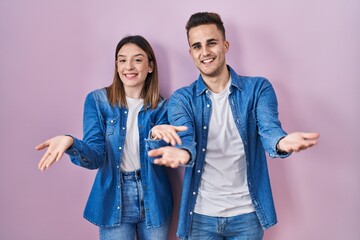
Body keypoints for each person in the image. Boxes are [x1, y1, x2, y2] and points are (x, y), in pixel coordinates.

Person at [148, 12, 320, 240]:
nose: (205, 52)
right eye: (197, 46)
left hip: (247, 215)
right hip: (200, 216)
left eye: (211, 43)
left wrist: (282, 142)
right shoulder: (182, 99)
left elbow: (269, 130)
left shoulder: (258, 89)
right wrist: (181, 152)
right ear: (191, 53)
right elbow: (186, 137)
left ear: (225, 45)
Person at [36, 35, 186, 240]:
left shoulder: (162, 107)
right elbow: (96, 157)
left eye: (137, 60)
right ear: (116, 66)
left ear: (150, 66)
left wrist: (153, 134)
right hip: (113, 197)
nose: (129, 66)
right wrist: (70, 142)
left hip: (154, 198)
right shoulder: (97, 101)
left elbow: (159, 157)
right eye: (122, 60)